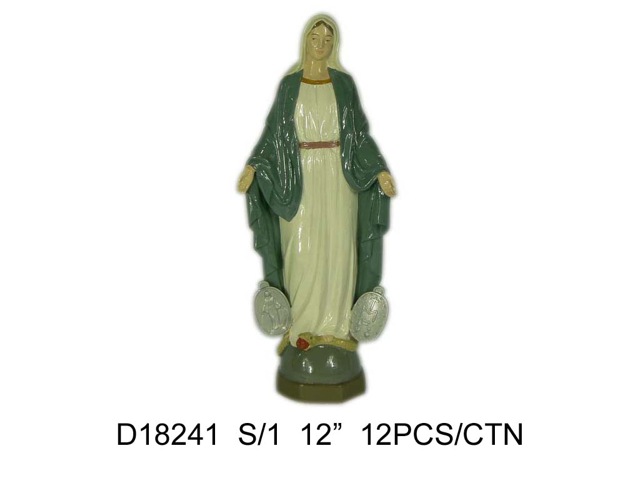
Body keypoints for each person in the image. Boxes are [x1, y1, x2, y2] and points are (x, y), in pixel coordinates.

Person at [238, 14, 396, 400]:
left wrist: (378, 170)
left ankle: (336, 330)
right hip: (299, 178)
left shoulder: (344, 84)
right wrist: (254, 166)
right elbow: (274, 134)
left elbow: (359, 135)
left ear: (334, 44)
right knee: (301, 252)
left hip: (339, 178)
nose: (321, 43)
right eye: (316, 36)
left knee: (338, 250)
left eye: (328, 37)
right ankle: (302, 329)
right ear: (306, 40)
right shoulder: (290, 86)